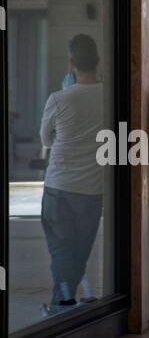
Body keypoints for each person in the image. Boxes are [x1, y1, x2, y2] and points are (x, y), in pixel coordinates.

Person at [40, 34, 103, 309]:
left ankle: (62, 303)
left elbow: (45, 139)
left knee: (61, 250)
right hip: (91, 191)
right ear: (98, 62)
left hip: (59, 187)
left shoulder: (59, 98)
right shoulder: (110, 97)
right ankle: (63, 301)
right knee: (78, 252)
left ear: (71, 63)